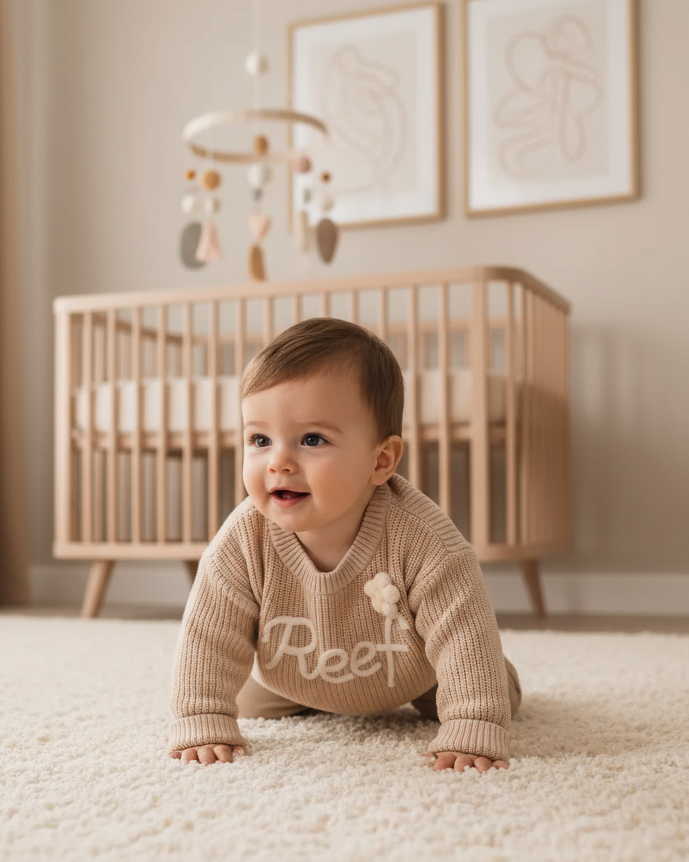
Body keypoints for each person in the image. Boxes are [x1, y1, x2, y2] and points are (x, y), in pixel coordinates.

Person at [168, 318, 521, 772]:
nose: (278, 462)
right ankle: (305, 697)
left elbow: (461, 628)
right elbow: (208, 637)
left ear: (381, 460)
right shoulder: (242, 541)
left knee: (485, 688)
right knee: (240, 698)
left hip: (413, 674)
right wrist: (201, 714)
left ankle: (491, 677)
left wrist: (474, 717)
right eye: (260, 439)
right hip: (291, 675)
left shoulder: (424, 541)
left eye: (312, 439)